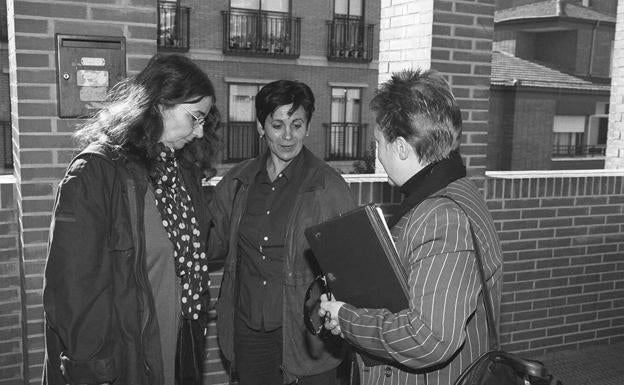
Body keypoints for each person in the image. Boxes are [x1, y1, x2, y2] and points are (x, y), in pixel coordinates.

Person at [42, 54, 220, 385]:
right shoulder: (96, 172)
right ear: (159, 104)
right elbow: (72, 289)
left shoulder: (180, 172)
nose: (199, 133)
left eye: (204, 122)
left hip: (179, 346)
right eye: (195, 118)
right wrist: (93, 369)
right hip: (124, 359)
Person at [319, 69, 504, 385]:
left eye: (378, 142)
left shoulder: (440, 216)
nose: (377, 154)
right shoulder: (458, 190)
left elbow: (430, 338)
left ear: (402, 147)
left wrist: (346, 318)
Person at [209, 80, 356, 385]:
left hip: (307, 337)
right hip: (249, 333)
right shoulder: (237, 182)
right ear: (261, 127)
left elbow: (348, 269)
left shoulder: (329, 186)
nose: (288, 136)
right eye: (277, 125)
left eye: (297, 124)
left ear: (307, 126)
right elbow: (211, 244)